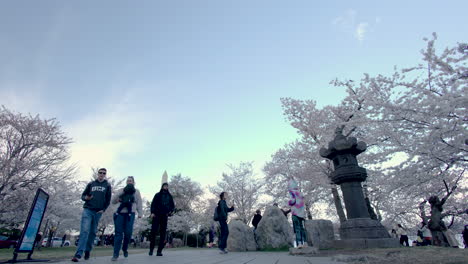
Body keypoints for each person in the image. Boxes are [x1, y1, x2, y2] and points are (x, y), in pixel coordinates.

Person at [72, 168, 112, 262]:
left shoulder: (107, 185)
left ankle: (87, 250)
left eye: (104, 173)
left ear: (105, 175)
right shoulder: (91, 184)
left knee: (93, 232)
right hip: (88, 210)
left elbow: (108, 200)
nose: (102, 174)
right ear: (97, 174)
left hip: (98, 212)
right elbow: (83, 196)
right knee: (85, 231)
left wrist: (103, 209)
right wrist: (86, 198)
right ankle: (78, 254)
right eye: (100, 173)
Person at [111, 176, 143, 261]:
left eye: (131, 181)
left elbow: (139, 202)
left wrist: (140, 213)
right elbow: (113, 201)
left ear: (133, 182)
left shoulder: (136, 192)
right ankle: (115, 254)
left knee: (128, 233)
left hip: (130, 213)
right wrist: (120, 194)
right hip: (120, 213)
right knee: (118, 234)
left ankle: (124, 248)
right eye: (128, 181)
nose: (129, 182)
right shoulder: (121, 190)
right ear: (126, 182)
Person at [148, 182, 175, 257]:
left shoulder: (169, 196)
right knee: (153, 232)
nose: (165, 187)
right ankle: (151, 249)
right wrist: (152, 212)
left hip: (164, 216)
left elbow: (172, 206)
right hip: (156, 215)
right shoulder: (157, 195)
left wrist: (170, 212)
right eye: (164, 186)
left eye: (167, 186)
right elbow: (153, 204)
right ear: (162, 187)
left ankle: (159, 251)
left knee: (163, 233)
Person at [288, 179, 308, 248]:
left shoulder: (292, 192)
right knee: (302, 228)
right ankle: (305, 242)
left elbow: (292, 201)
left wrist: (289, 203)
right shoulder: (300, 193)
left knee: (297, 228)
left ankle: (299, 243)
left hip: (295, 213)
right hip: (301, 213)